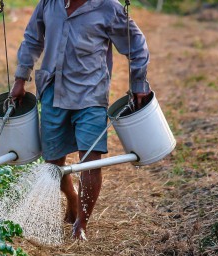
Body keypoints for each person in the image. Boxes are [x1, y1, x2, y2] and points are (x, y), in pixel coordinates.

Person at [10, 0, 152, 240]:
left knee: (91, 160)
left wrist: (138, 83)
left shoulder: (109, 7)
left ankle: (81, 224)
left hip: (91, 94)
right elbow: (33, 39)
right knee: (53, 164)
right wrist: (20, 78)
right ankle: (72, 197)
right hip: (53, 91)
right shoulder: (49, 3)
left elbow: (136, 45)